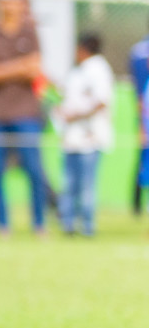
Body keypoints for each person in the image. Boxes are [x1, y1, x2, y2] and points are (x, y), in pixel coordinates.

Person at [0, 0, 47, 234]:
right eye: (5, 1)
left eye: (14, 2)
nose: (9, 7)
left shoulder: (30, 32)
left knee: (34, 170)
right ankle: (2, 225)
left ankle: (39, 224)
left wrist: (1, 70)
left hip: (26, 112)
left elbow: (34, 69)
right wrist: (19, 66)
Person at [55, 33, 114, 237]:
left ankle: (87, 226)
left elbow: (101, 101)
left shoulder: (99, 69)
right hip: (72, 138)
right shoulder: (78, 71)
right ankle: (68, 224)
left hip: (90, 137)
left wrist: (74, 115)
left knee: (87, 186)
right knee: (69, 184)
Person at [129, 20, 149, 216]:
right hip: (145, 114)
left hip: (142, 111)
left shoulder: (136, 50)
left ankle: (136, 204)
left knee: (142, 158)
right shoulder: (141, 51)